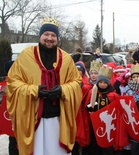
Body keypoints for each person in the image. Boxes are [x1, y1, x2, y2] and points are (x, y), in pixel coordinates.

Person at [6, 17, 82, 155]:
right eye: (46, 34)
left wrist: (62, 90)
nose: (49, 38)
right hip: (34, 120)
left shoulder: (66, 59)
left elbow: (76, 82)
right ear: (40, 36)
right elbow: (12, 82)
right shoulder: (25, 56)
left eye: (53, 35)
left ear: (57, 38)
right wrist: (34, 90)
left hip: (59, 120)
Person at [85, 65, 119, 155]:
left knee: (107, 146)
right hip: (95, 124)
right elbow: (87, 105)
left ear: (108, 83)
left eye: (105, 82)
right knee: (95, 145)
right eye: (100, 82)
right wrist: (89, 107)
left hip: (108, 124)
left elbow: (117, 109)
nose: (102, 84)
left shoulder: (113, 95)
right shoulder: (93, 92)